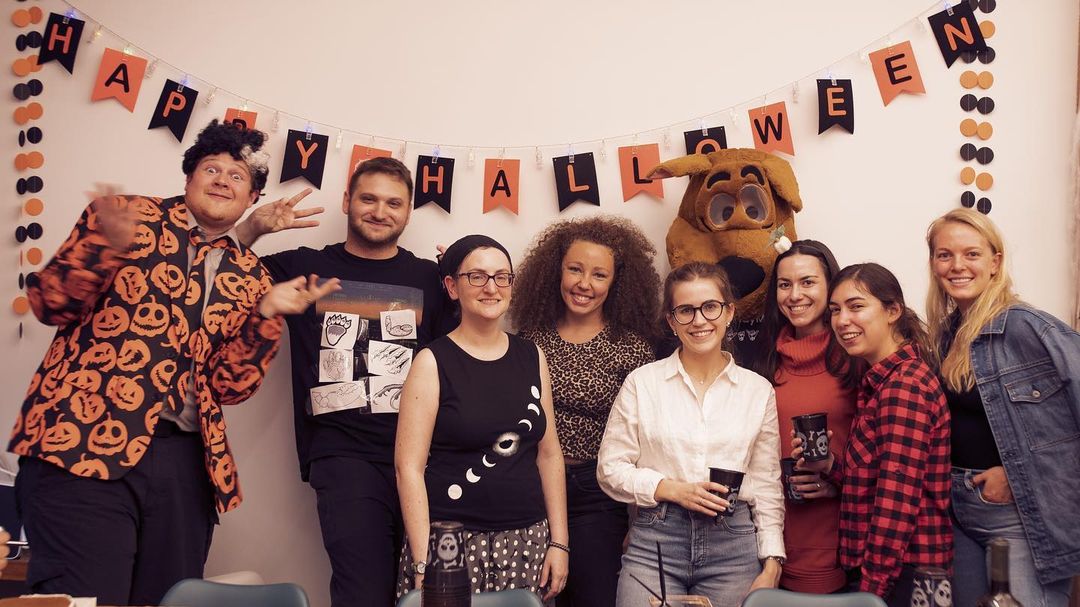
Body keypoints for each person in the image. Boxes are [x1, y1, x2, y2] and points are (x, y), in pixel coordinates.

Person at [9, 120, 336, 605]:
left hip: (183, 466)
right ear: (188, 179)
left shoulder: (250, 274)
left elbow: (229, 387)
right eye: (212, 168)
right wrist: (99, 248)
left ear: (251, 199)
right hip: (81, 444)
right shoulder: (126, 216)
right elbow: (51, 305)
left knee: (169, 600)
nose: (224, 179)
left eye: (238, 176)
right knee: (84, 598)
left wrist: (266, 316)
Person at [237, 156, 455, 607]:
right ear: (346, 202)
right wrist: (252, 229)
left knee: (429, 591)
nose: (380, 211)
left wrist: (464, 278)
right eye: (368, 199)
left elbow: (458, 357)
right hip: (343, 455)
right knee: (365, 592)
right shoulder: (304, 266)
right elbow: (216, 275)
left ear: (409, 210)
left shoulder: (428, 280)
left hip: (421, 459)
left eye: (394, 203)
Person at [598, 261, 785, 607]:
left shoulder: (757, 391)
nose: (699, 321)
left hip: (733, 544)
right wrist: (670, 489)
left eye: (710, 307)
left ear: (729, 312)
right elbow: (610, 469)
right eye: (686, 310)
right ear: (671, 320)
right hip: (656, 539)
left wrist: (772, 562)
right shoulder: (643, 383)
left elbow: (766, 484)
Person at [395, 235, 569, 601]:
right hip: (451, 546)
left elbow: (549, 454)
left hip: (528, 542)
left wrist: (560, 542)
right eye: (477, 276)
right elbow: (408, 467)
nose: (491, 287)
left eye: (502, 276)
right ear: (452, 287)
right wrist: (425, 562)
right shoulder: (432, 361)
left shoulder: (531, 355)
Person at [926, 209, 1077, 606]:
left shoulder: (1029, 327)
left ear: (995, 262)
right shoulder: (944, 335)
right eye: (945, 255)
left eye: (971, 254)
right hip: (957, 511)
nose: (957, 265)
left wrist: (1016, 473)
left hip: (1015, 516)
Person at [510, 215, 659, 607]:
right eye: (574, 269)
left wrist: (637, 521)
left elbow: (644, 442)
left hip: (597, 494)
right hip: (531, 489)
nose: (584, 284)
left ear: (616, 283)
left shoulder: (633, 349)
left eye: (599, 275)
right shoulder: (528, 341)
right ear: (555, 271)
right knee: (530, 599)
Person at [795, 262, 950, 606]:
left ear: (893, 310)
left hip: (902, 577)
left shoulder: (904, 386)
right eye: (835, 310)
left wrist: (870, 594)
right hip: (890, 574)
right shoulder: (880, 381)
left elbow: (897, 501)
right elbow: (878, 476)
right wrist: (829, 466)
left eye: (856, 306)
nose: (842, 320)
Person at [750, 240, 861, 593]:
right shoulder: (762, 362)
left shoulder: (855, 359)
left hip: (835, 537)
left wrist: (835, 479)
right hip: (766, 540)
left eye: (808, 282)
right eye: (785, 285)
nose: (794, 295)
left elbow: (883, 457)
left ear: (831, 287)